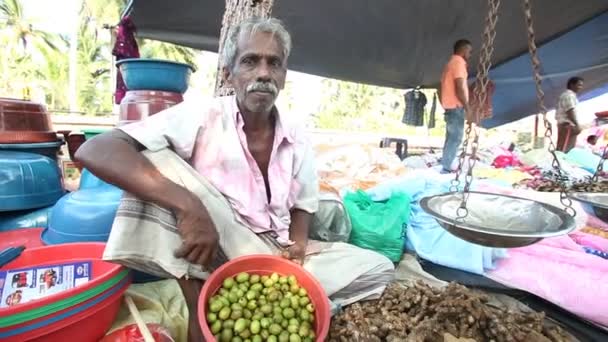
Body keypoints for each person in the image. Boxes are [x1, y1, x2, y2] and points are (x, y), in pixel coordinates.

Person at [76, 17, 394, 341]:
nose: (264, 73)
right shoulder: (202, 115)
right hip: (218, 239)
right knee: (150, 158)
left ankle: (278, 297)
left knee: (378, 268)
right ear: (229, 73)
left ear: (284, 76)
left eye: (274, 63)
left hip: (272, 252)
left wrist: (297, 251)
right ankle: (198, 308)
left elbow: (304, 206)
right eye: (250, 61)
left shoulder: (297, 133)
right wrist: (188, 206)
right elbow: (96, 149)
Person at [439, 39, 472, 173]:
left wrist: (444, 102)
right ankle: (446, 168)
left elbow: (440, 87)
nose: (470, 54)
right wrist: (467, 107)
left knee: (451, 137)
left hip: (450, 106)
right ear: (463, 50)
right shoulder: (458, 63)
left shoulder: (450, 64)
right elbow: (459, 88)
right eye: (469, 51)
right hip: (456, 106)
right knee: (456, 138)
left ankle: (446, 164)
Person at [556, 77, 584, 153]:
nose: (580, 87)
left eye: (581, 85)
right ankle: (560, 163)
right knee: (565, 149)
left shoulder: (570, 95)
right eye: (579, 85)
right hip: (568, 125)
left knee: (565, 148)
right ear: (572, 85)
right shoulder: (569, 95)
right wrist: (577, 125)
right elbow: (570, 111)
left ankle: (560, 163)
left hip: (568, 125)